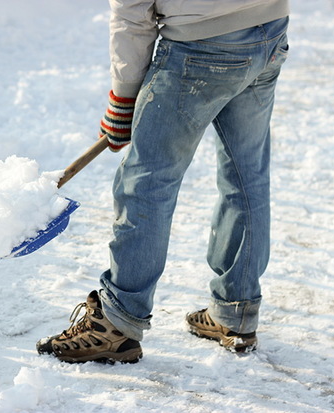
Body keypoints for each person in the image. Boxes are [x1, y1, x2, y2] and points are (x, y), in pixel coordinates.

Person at [37, 0, 290, 363]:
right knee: (246, 174)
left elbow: (131, 11)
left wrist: (123, 97)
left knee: (146, 183)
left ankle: (116, 321)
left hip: (200, 45)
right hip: (268, 31)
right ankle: (236, 311)